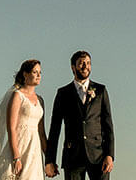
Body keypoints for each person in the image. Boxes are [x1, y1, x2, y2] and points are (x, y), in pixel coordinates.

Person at [46, 50, 114, 178]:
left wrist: (110, 155)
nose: (85, 66)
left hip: (98, 156)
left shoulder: (100, 91)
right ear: (73, 67)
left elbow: (108, 125)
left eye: (88, 63)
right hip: (72, 156)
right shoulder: (63, 93)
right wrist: (50, 160)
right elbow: (54, 129)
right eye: (81, 63)